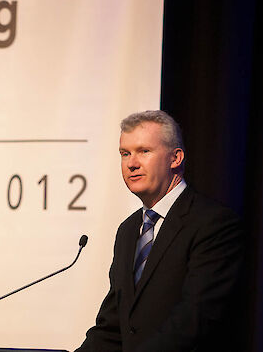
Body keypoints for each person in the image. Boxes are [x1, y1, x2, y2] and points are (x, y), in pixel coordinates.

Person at [75, 110, 243, 351]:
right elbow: (113, 326)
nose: (132, 163)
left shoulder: (213, 223)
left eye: (144, 151)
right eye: (125, 153)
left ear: (175, 158)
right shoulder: (128, 230)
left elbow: (195, 319)